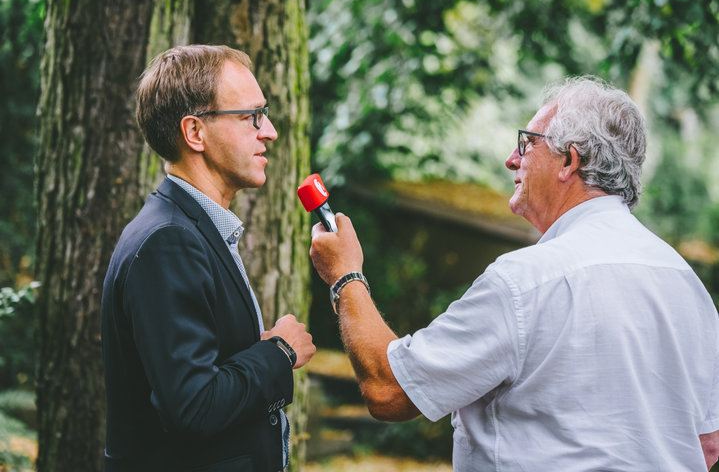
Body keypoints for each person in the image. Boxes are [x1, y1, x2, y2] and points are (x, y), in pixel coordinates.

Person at [309, 76, 719, 471]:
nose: (512, 160)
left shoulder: (525, 282)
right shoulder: (687, 285)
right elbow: (707, 443)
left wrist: (345, 275)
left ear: (569, 161)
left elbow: (390, 391)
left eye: (527, 144)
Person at [101, 44, 315, 472]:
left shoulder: (187, 228)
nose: (269, 130)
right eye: (252, 116)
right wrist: (280, 352)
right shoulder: (168, 241)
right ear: (195, 132)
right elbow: (194, 406)